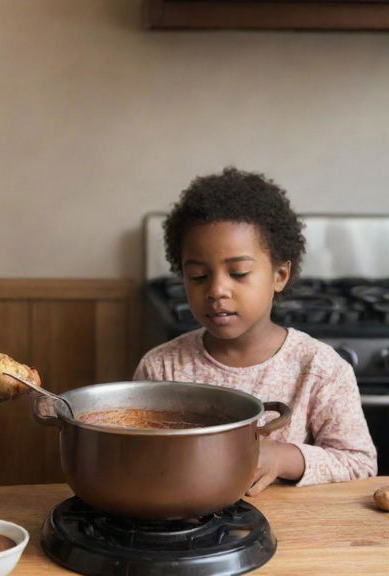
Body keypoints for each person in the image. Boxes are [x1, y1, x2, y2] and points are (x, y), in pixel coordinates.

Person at [134, 167, 377, 495]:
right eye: (198, 276)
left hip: (295, 536)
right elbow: (136, 458)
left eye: (238, 273)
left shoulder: (320, 368)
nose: (217, 289)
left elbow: (360, 464)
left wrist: (284, 457)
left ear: (279, 275)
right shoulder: (161, 367)